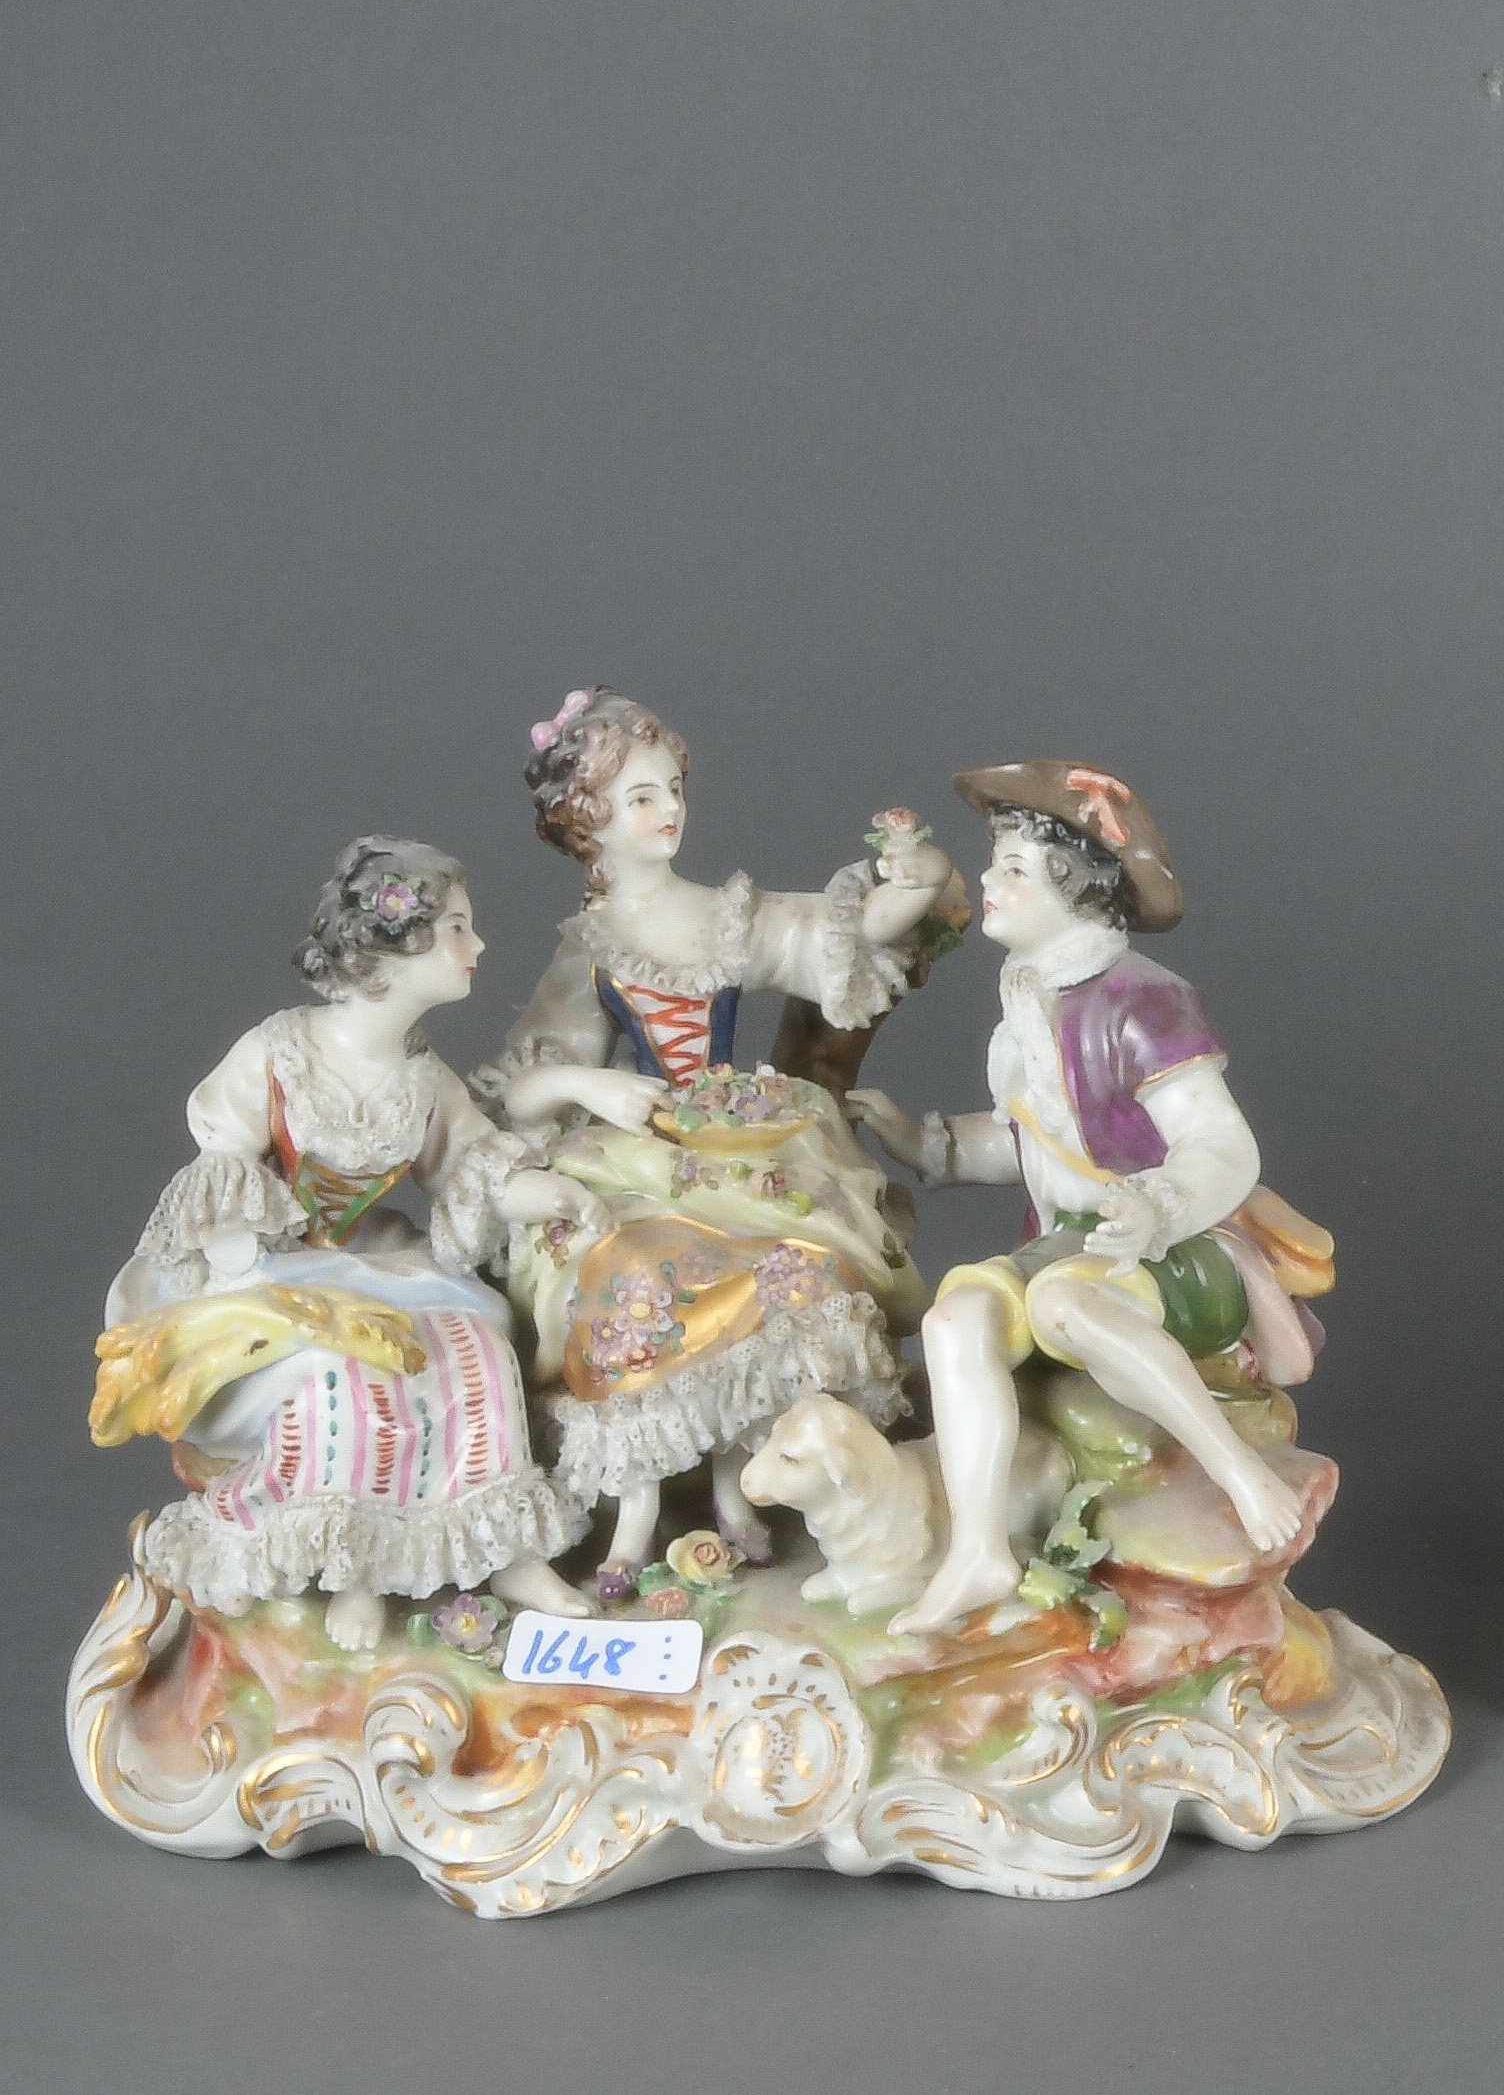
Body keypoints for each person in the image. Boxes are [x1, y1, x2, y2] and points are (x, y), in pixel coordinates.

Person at [855, 762, 1336, 1632]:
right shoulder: (1027, 1000)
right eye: (994, 864)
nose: (988, 883)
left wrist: (1159, 1204)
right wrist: (922, 1142)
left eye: (1013, 869)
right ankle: (979, 1552)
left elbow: (1222, 1147)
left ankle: (1239, 1472)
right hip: (1072, 1242)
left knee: (1066, 1303)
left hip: (1178, 1247)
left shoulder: (1144, 1002)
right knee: (955, 1317)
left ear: (1074, 888)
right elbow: (1033, 1140)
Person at [484, 689, 945, 1587]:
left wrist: (914, 879)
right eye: (640, 798)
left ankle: (738, 1478)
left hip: (750, 1147)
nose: (670, 811)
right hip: (636, 1158)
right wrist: (589, 1083)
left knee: (801, 1267)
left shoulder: (727, 916)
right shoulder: (589, 949)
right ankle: (639, 1505)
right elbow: (527, 1090)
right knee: (626, 1277)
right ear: (588, 820)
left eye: (673, 790)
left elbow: (836, 936)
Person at [93, 839, 593, 1651]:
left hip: (372, 1256)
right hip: (256, 1268)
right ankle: (353, 1565)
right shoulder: (279, 1054)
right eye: (456, 928)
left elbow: (474, 1170)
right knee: (348, 1363)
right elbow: (220, 1186)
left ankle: (505, 1553)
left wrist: (561, 1195)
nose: (477, 945)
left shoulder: (422, 1080)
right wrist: (278, 1292)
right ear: (395, 949)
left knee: (474, 1346)